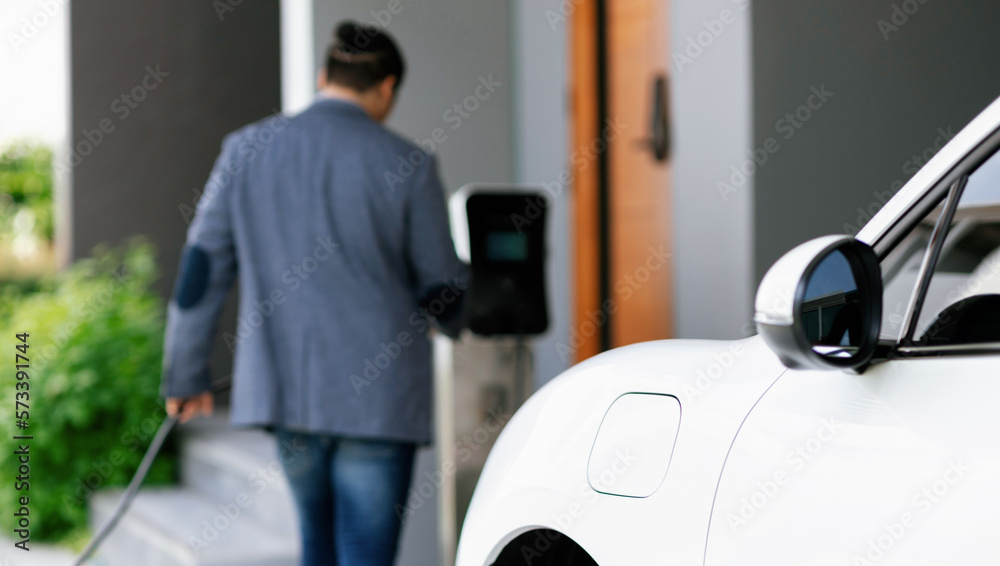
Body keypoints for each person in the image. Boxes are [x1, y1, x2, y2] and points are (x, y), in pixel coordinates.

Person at [161, 21, 467, 566]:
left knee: (316, 546)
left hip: (289, 392)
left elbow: (201, 270)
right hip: (379, 401)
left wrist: (185, 372)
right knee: (365, 554)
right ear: (388, 87)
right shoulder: (410, 165)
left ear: (324, 76)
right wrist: (470, 304)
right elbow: (440, 286)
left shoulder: (244, 150)